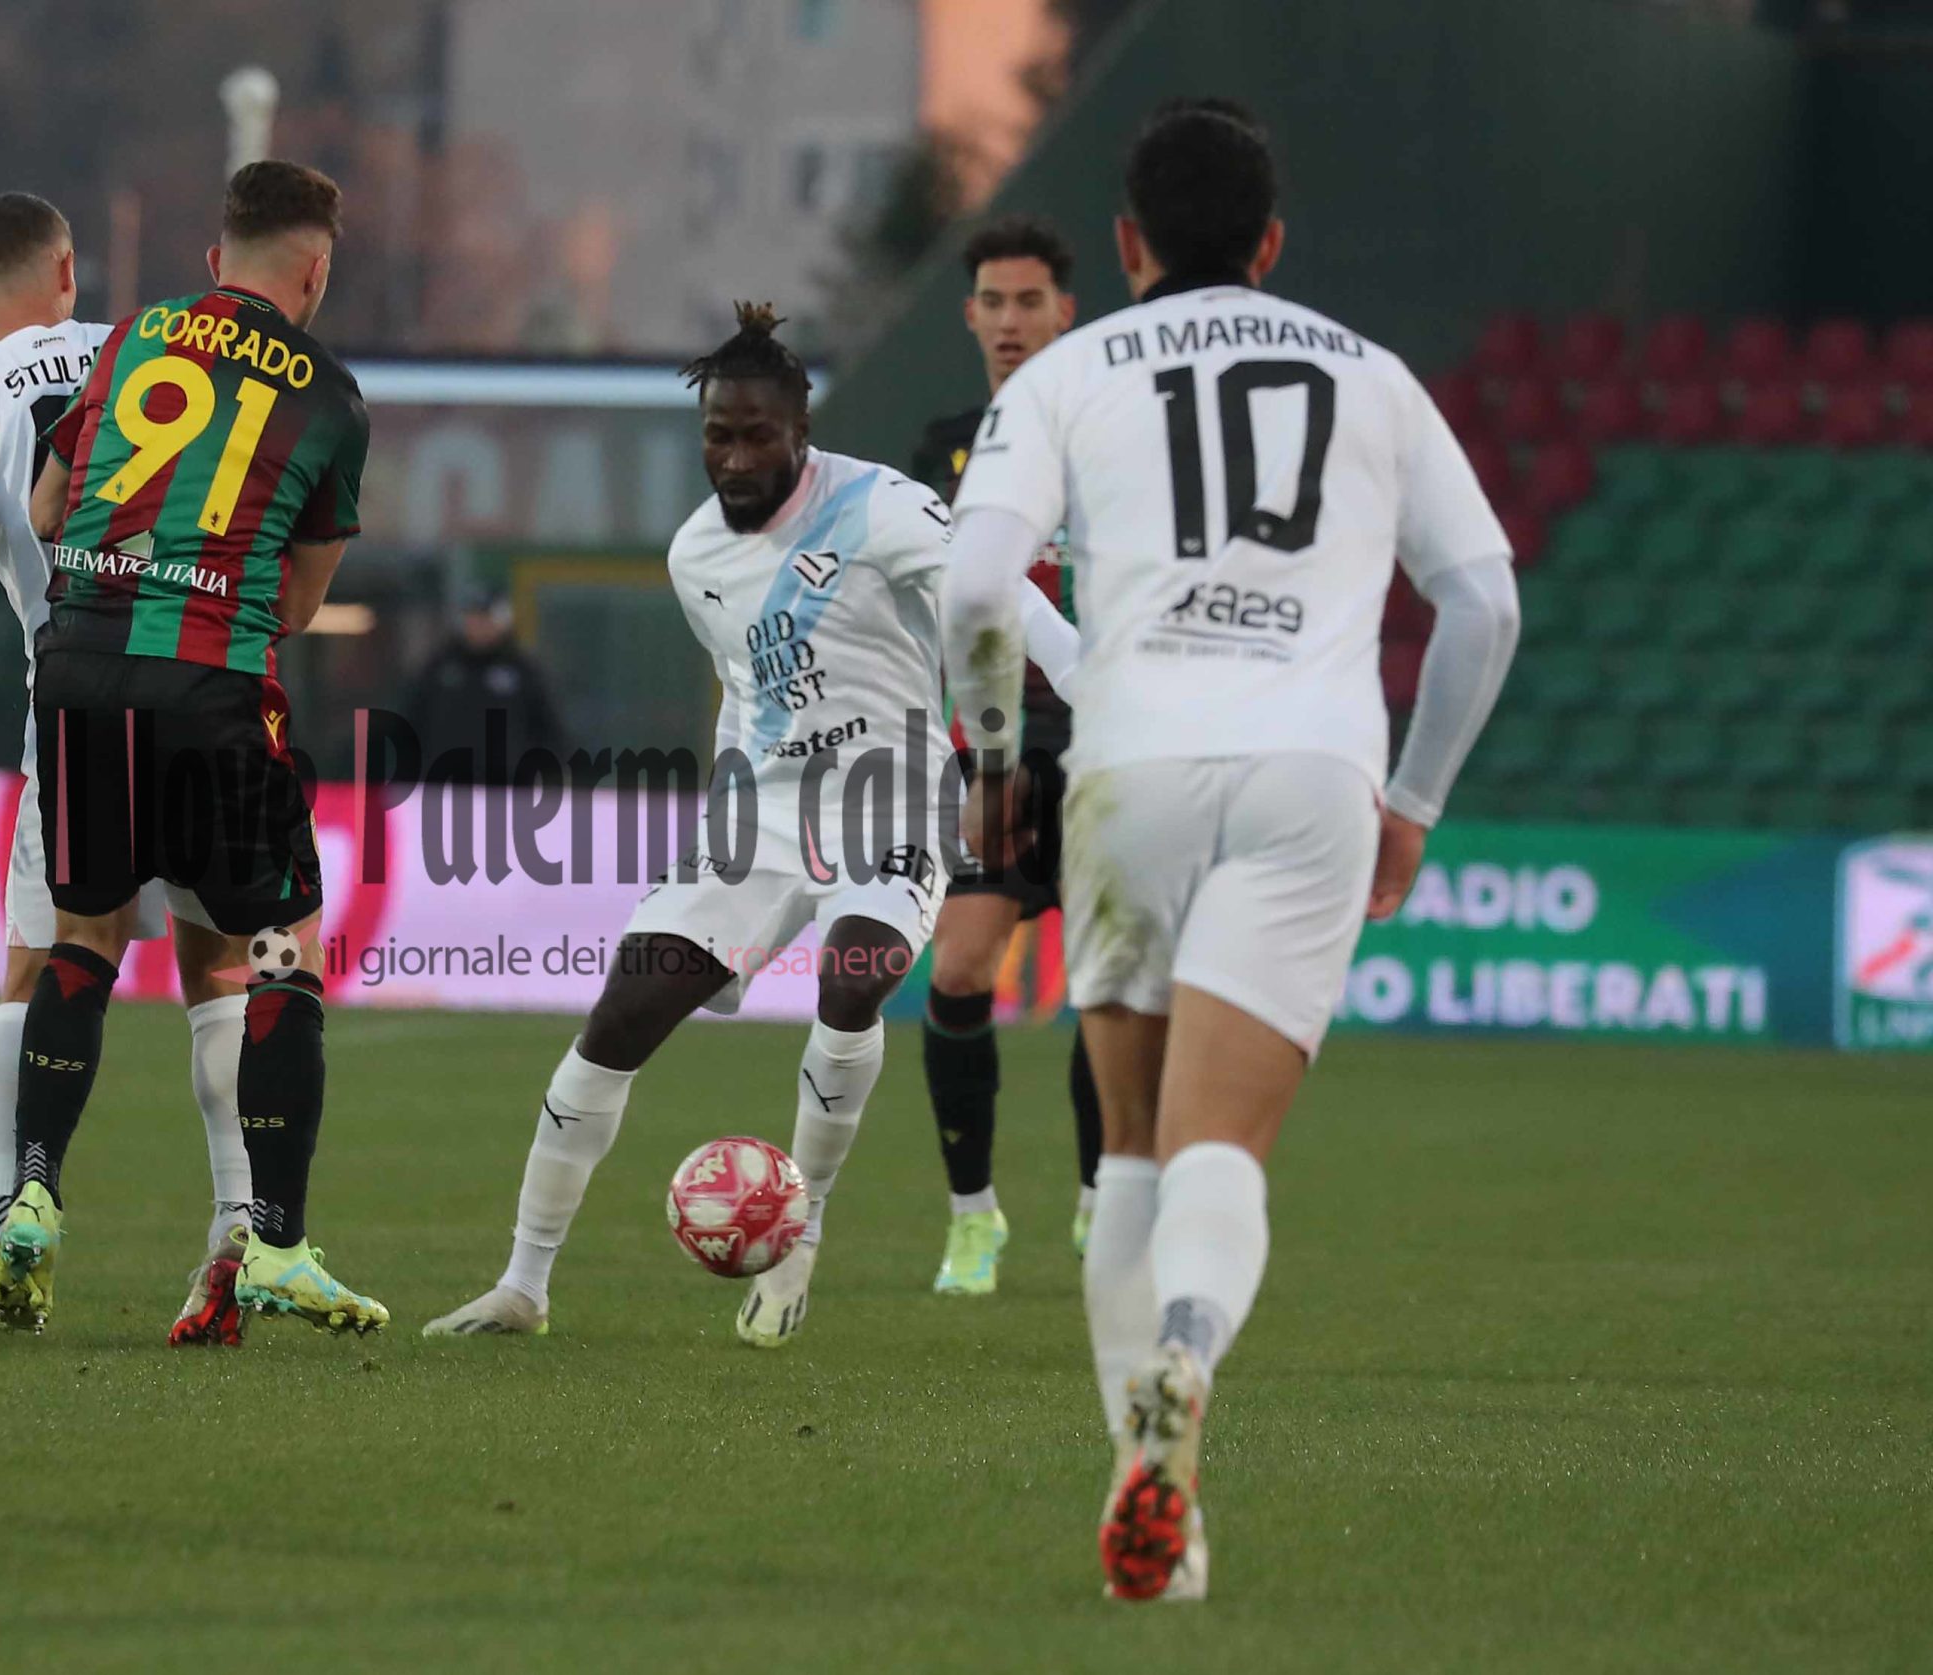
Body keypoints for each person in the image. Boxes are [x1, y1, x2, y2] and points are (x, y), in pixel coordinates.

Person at [941, 100, 1519, 1600]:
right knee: (1223, 1144)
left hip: (1132, 770)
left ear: (1126, 246)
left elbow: (979, 584)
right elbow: (1486, 602)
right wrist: (1416, 803)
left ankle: (1163, 1520)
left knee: (1126, 1144)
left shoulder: (1065, 372)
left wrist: (998, 768)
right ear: (1271, 243)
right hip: (1312, 775)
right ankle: (1189, 1359)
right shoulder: (1374, 376)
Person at [423, 302, 955, 1349]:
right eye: (719, 431)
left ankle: (801, 1237)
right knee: (618, 1019)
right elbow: (748, 695)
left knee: (853, 978)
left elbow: (993, 607)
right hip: (758, 811)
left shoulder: (885, 507)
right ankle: (523, 1285)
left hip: (893, 789)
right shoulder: (692, 556)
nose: (736, 452)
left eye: (758, 432)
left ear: (799, 430)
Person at [0, 191, 256, 1348]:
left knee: (39, 966)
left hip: (82, 706)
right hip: (207, 686)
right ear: (69, 271)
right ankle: (238, 1237)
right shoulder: (147, 352)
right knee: (219, 969)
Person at [11, 160, 384, 1336]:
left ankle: (30, 1192)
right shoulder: (328, 394)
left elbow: (41, 513)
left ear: (216, 260)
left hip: (74, 669)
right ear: (315, 269)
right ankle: (272, 1240)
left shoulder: (130, 339)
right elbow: (296, 607)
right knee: (279, 953)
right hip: (213, 680)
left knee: (85, 936)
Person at [906, 215, 1101, 1300]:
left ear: (1064, 311)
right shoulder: (942, 444)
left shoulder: (1107, 434)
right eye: (995, 300)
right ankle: (971, 1218)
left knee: (1110, 979)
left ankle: (1098, 1195)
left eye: (1033, 300)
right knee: (960, 967)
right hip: (993, 744)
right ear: (971, 313)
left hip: (1107, 742)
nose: (1013, 319)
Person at [402, 590, 566, 783]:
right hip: (444, 785)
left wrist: (541, 769)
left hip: (507, 787)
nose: (479, 626)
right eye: (473, 619)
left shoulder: (522, 670)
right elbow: (412, 721)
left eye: (486, 619)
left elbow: (548, 726)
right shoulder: (439, 668)